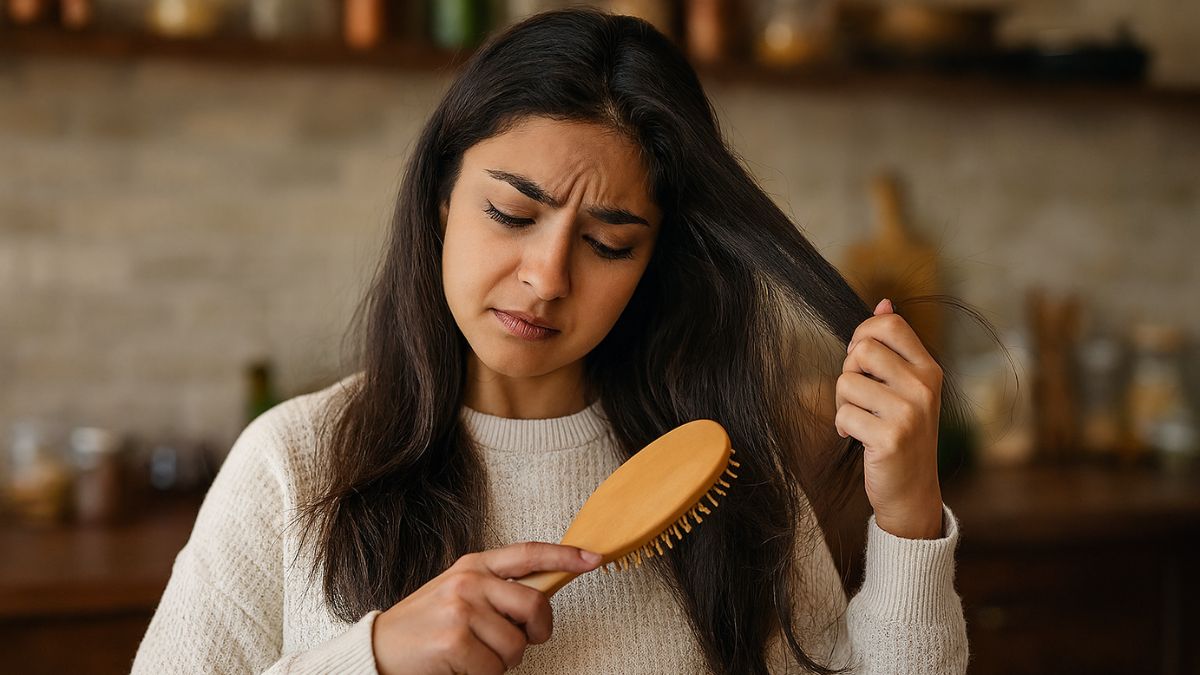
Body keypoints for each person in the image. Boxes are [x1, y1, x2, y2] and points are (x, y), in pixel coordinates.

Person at [133, 8, 980, 675]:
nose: (546, 276)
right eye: (511, 213)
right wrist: (376, 653)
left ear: (657, 259)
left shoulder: (724, 473)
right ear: (440, 197)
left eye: (609, 242)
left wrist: (905, 513)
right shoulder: (294, 462)